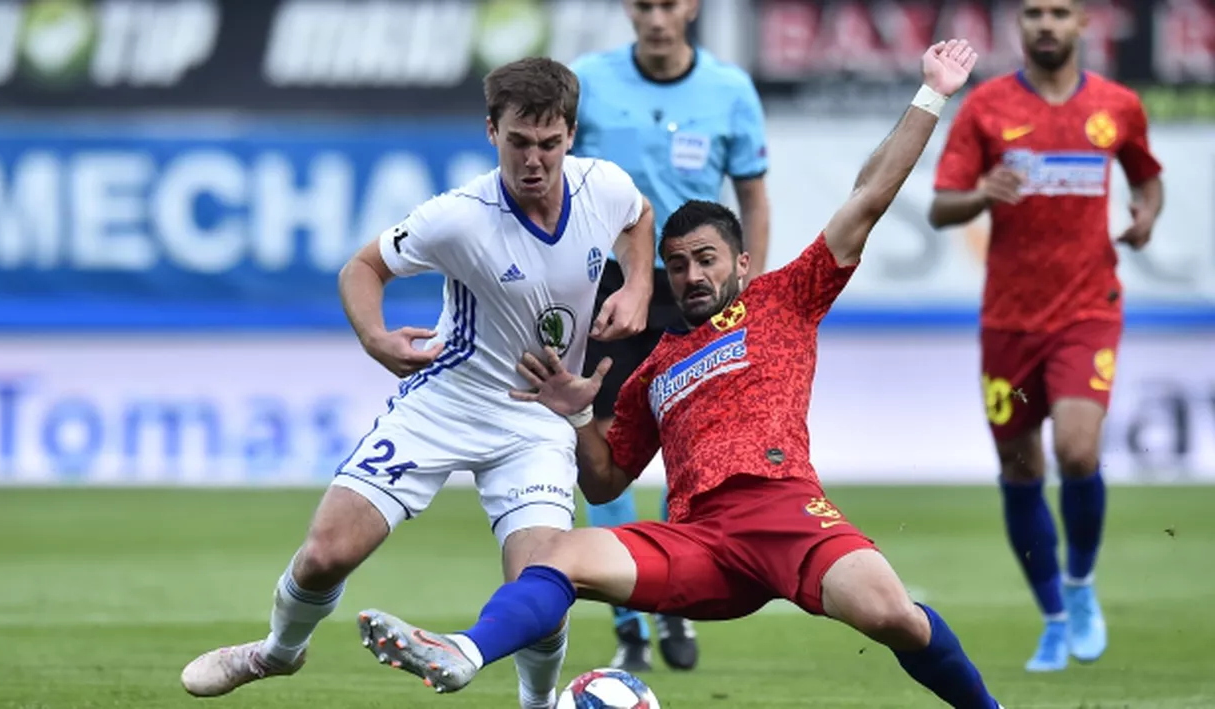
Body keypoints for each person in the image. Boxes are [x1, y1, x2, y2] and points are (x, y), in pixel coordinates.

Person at [353, 40, 1006, 709]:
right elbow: (606, 480)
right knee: (552, 554)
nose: (691, 275)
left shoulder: (783, 299)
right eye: (678, 263)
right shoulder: (655, 367)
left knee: (893, 616)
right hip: (700, 541)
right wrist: (577, 414)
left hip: (783, 511)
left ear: (742, 263)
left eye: (706, 259)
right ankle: (463, 653)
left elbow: (868, 198)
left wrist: (932, 93)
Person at [178, 56, 657, 709]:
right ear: (491, 131)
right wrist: (375, 337)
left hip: (538, 417)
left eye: (549, 143)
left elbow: (639, 217)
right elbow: (361, 268)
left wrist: (638, 283)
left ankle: (539, 704)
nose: (533, 160)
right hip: (447, 401)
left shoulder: (605, 185)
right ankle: (276, 652)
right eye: (518, 141)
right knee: (325, 554)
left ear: (571, 135)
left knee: (541, 587)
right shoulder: (458, 217)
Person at [927, 0, 1163, 673]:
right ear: (1020, 25)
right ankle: (1054, 617)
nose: (1046, 24)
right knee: (1021, 470)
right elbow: (941, 206)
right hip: (1009, 320)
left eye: (1060, 12)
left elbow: (1147, 179)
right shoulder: (986, 107)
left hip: (1089, 309)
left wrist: (1146, 215)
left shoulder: (1117, 105)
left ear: (1084, 22)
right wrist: (982, 195)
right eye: (1033, 12)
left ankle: (1081, 586)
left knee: (1078, 451)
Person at [570, 0, 771, 672]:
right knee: (604, 449)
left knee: (695, 447)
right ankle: (629, 619)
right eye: (644, 4)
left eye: (669, 3)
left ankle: (673, 595)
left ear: (692, 7)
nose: (657, 17)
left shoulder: (729, 89)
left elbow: (753, 196)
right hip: (610, 283)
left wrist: (751, 288)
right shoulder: (588, 81)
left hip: (696, 285)